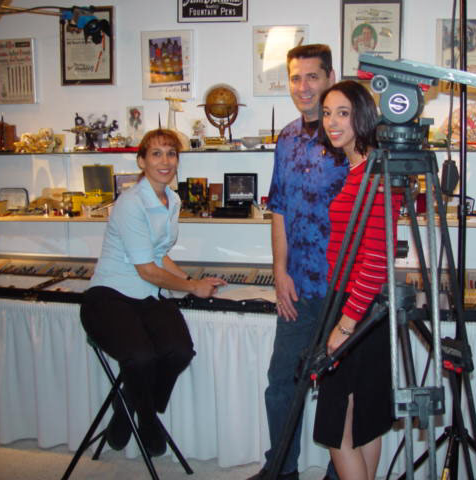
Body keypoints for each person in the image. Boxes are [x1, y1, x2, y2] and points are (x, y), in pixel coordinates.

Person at [81, 129, 226, 457]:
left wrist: (192, 278)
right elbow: (145, 268)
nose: (165, 161)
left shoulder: (171, 200)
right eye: (157, 154)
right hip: (109, 296)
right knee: (142, 358)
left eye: (171, 154)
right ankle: (146, 418)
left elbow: (159, 254)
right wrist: (192, 288)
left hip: (146, 296)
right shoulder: (131, 203)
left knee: (179, 352)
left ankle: (125, 408)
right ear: (142, 161)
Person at [249, 44, 348, 480]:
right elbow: (280, 209)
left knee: (339, 391)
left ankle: (339, 475)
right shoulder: (286, 138)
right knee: (280, 387)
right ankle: (281, 471)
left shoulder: (350, 136)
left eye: (312, 77)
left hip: (344, 290)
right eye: (295, 78)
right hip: (298, 290)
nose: (303, 87)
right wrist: (279, 272)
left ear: (330, 78)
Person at [313, 80, 402, 480]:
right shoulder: (360, 168)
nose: (332, 122)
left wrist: (346, 324)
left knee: (337, 427)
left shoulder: (374, 173)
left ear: (362, 116)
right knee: (364, 420)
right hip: (364, 308)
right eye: (328, 112)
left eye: (343, 113)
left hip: (358, 308)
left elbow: (377, 259)